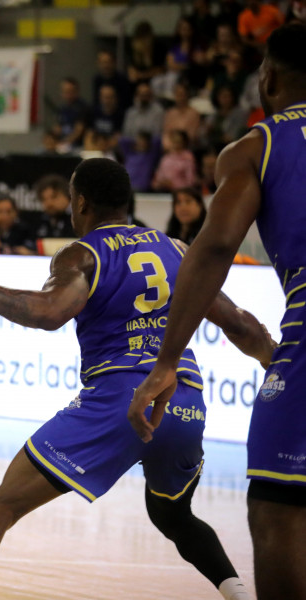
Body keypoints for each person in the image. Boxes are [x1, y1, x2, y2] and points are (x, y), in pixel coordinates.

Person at [0, 157, 274, 600]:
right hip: (185, 402)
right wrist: (279, 365)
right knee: (173, 516)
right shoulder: (177, 249)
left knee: (1, 506)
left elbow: (48, 312)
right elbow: (240, 324)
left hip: (120, 401)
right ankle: (239, 593)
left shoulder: (83, 253)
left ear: (80, 202)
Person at [129, 24, 306, 600]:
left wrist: (167, 361)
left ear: (267, 77)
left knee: (279, 506)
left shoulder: (258, 146)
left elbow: (209, 252)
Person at [32, 174, 74, 239]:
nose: (49, 203)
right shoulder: (44, 221)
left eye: (54, 197)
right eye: (44, 199)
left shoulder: (80, 218)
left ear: (67, 195)